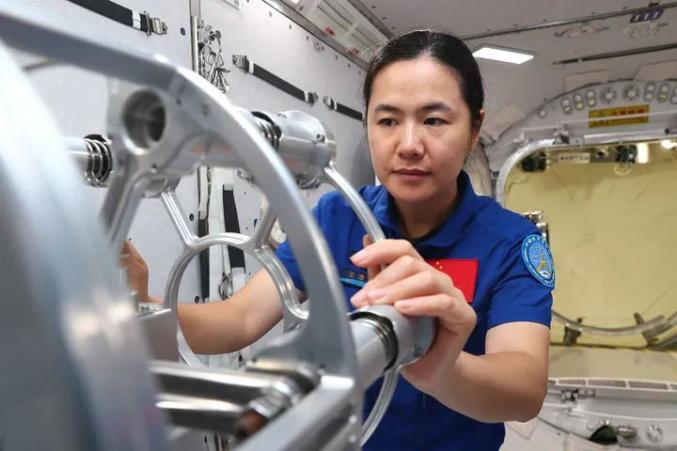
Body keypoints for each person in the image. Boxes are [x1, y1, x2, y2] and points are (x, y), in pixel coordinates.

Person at [123, 29, 554, 451]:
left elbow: (523, 389)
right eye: (388, 120)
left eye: (434, 120)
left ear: (475, 128)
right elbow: (238, 321)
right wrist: (139, 307)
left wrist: (443, 368)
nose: (408, 144)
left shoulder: (510, 243)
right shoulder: (337, 217)